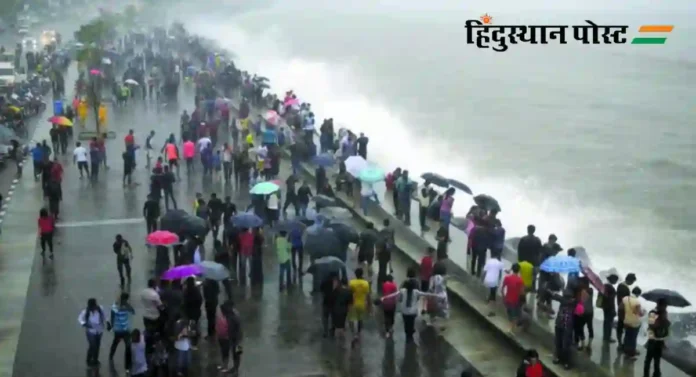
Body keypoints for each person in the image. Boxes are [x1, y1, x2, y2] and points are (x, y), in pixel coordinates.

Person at [381, 274, 436, 342]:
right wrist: (436, 295)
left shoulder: (403, 291)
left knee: (406, 324)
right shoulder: (416, 292)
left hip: (405, 312)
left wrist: (384, 298)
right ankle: (410, 334)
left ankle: (408, 333)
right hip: (413, 312)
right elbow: (425, 294)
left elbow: (394, 295)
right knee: (411, 323)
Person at [109, 292, 135, 372]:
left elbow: (133, 312)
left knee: (127, 346)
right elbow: (113, 314)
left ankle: (127, 364)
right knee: (116, 343)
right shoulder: (115, 305)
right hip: (119, 329)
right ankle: (111, 355)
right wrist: (112, 326)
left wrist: (127, 306)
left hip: (126, 329)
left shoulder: (127, 306)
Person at [644, 298, 669, 377]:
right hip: (652, 340)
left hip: (660, 340)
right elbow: (651, 325)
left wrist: (665, 322)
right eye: (664, 305)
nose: (665, 307)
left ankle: (657, 373)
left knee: (657, 359)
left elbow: (665, 328)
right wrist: (661, 320)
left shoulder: (664, 313)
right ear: (659, 305)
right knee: (648, 359)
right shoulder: (653, 313)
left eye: (666, 306)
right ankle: (646, 374)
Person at [78, 298, 106, 367]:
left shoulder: (100, 309)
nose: (93, 308)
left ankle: (94, 359)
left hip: (99, 331)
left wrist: (107, 323)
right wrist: (85, 324)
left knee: (97, 346)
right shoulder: (86, 312)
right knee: (93, 346)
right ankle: (92, 360)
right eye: (91, 307)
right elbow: (80, 318)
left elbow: (105, 316)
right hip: (90, 332)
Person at [348, 268, 371, 346]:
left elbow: (349, 294)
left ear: (355, 274)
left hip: (353, 304)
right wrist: (369, 306)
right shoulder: (365, 283)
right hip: (362, 304)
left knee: (351, 320)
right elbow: (368, 296)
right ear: (362, 274)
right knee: (360, 319)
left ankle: (354, 334)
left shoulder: (351, 283)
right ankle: (358, 333)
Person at [622, 286, 645, 359]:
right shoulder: (637, 302)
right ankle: (631, 354)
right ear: (638, 294)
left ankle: (625, 350)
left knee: (627, 336)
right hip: (634, 322)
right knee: (633, 338)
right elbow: (638, 313)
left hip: (626, 320)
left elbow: (621, 308)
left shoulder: (625, 298)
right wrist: (643, 312)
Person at [501, 263, 524, 332]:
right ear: (519, 270)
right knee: (515, 315)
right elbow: (522, 292)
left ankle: (511, 327)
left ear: (512, 269)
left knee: (510, 315)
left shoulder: (507, 278)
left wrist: (503, 298)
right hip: (516, 301)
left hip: (507, 299)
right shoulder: (520, 280)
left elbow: (502, 289)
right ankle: (511, 329)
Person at [616, 273, 637, 349]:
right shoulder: (625, 288)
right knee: (624, 327)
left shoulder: (620, 285)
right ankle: (622, 344)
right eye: (633, 281)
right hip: (624, 310)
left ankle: (620, 343)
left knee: (620, 327)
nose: (632, 283)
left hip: (620, 309)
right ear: (630, 280)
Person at [222, 300, 243, 374]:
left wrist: (237, 340)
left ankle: (236, 370)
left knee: (237, 354)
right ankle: (235, 368)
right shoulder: (230, 314)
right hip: (233, 338)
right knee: (234, 354)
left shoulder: (234, 315)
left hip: (237, 339)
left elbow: (238, 328)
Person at [599, 270, 619, 343]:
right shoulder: (610, 287)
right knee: (609, 323)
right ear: (612, 279)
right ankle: (607, 337)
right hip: (609, 308)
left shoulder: (605, 285)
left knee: (606, 322)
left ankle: (605, 336)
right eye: (616, 280)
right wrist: (613, 310)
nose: (616, 282)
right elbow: (611, 301)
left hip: (605, 307)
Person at [482, 251, 505, 316]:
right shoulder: (500, 263)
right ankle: (491, 311)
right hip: (494, 282)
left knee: (490, 290)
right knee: (493, 296)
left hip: (487, 280)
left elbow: (484, 271)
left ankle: (488, 299)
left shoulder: (488, 261)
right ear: (498, 257)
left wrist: (482, 279)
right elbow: (506, 271)